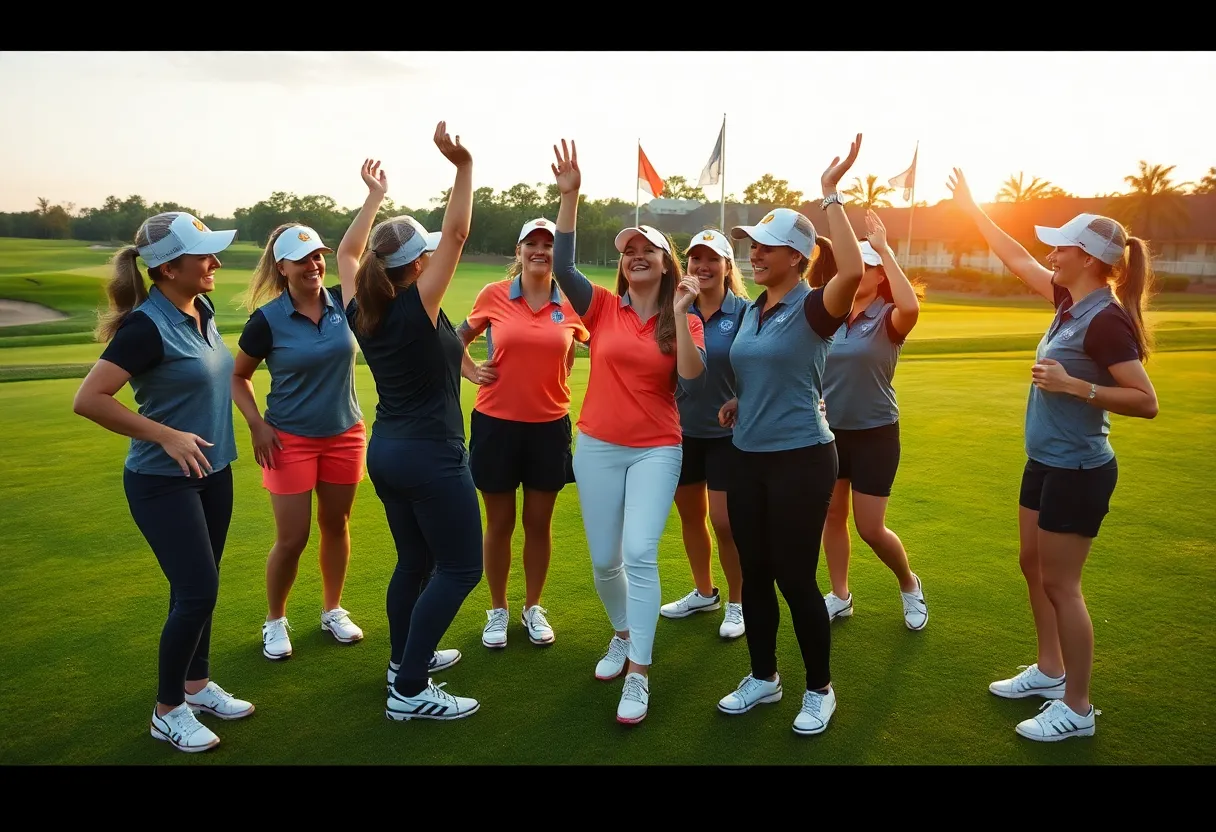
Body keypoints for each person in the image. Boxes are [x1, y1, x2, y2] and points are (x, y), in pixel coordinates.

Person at [947, 168, 1159, 742]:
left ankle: (1078, 707)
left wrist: (1075, 386)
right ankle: (1049, 670)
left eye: (1062, 247)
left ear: (1087, 258)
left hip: (1079, 470)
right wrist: (972, 208)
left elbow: (1146, 401)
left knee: (1063, 586)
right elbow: (1018, 259)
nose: (1052, 254)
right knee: (1032, 565)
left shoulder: (1106, 320)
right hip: (1044, 462)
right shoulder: (1069, 301)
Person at [72, 211, 254, 753]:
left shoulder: (201, 308)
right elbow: (89, 399)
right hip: (162, 481)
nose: (215, 262)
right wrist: (165, 435)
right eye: (204, 255)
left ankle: (196, 684)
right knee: (197, 591)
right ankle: (168, 709)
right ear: (169, 268)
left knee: (201, 586)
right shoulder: (144, 327)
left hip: (213, 472)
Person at [713, 134, 866, 737]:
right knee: (754, 571)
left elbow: (853, 269)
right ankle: (764, 677)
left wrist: (830, 194)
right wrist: (740, 400)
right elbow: (763, 370)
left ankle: (819, 688)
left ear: (797, 257)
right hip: (747, 456)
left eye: (766, 246)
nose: (753, 253)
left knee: (795, 577)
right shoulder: (754, 309)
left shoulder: (815, 307)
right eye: (752, 244)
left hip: (802, 457)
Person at [550, 138, 707, 724]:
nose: (636, 256)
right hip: (597, 445)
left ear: (666, 263)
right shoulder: (601, 307)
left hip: (656, 449)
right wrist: (571, 197)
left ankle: (639, 671)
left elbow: (690, 376)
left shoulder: (685, 316)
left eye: (648, 250)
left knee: (639, 552)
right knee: (603, 561)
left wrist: (678, 315)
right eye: (629, 251)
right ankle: (622, 633)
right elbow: (563, 267)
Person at [338, 123, 482, 722]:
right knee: (461, 567)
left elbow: (347, 253)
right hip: (430, 456)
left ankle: (404, 660)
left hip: (390, 453)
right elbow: (459, 231)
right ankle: (410, 689)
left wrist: (373, 198)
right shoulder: (418, 303)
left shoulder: (363, 305)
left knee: (415, 563)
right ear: (417, 264)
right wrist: (463, 166)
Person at [232, 223, 367, 661]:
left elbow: (355, 251)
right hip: (289, 440)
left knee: (337, 524)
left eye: (317, 256)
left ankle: (332, 610)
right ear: (282, 267)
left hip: (345, 434)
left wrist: (374, 198)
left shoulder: (343, 303)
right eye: (302, 259)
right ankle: (275, 619)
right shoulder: (266, 320)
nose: (314, 265)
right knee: (292, 538)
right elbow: (238, 376)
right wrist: (256, 424)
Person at [456, 217, 589, 650]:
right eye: (531, 243)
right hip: (496, 424)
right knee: (499, 523)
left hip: (549, 426)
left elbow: (598, 343)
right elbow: (455, 338)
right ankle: (497, 609)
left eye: (548, 244)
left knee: (538, 523)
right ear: (519, 251)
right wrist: (470, 370)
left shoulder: (571, 301)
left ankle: (533, 607)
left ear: (557, 253)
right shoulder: (493, 294)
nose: (540, 251)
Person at [820, 210, 927, 630]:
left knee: (870, 528)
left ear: (880, 274)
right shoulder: (831, 312)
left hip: (875, 433)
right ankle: (840, 595)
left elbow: (911, 306)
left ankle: (909, 582)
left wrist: (884, 249)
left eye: (867, 266)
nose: (858, 270)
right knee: (832, 517)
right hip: (829, 433)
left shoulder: (889, 316)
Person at [660, 228, 748, 640]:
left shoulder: (746, 312)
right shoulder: (677, 309)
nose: (703, 266)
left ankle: (738, 603)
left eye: (713, 259)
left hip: (729, 435)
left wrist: (745, 400)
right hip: (682, 431)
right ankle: (704, 592)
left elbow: (763, 367)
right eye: (696, 258)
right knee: (691, 517)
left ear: (728, 266)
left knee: (725, 522)